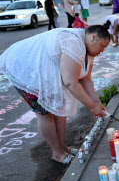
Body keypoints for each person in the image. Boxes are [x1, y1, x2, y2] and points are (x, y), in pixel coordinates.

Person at [0, 21, 111, 164]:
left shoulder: (88, 50)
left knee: (59, 109)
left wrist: (97, 102)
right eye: (102, 46)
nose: (102, 51)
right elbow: (70, 81)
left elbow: (85, 79)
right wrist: (91, 106)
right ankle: (57, 152)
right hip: (25, 69)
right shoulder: (74, 43)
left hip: (45, 73)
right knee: (45, 114)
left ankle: (63, 147)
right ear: (93, 38)